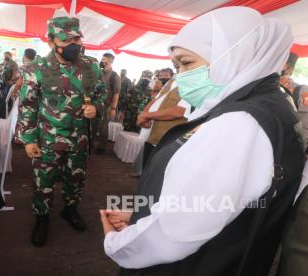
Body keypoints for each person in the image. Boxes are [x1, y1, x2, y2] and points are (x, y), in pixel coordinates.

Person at [100, 7, 305, 275]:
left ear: (233, 56)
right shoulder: (269, 107)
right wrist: (142, 215)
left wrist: (117, 243)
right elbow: (219, 204)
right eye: (177, 66)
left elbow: (174, 233)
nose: (181, 76)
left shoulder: (239, 123)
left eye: (186, 63)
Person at [17, 16, 106, 247]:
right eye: (66, 40)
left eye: (76, 38)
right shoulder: (35, 69)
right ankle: (42, 216)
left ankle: (70, 209)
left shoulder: (91, 66)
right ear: (51, 42)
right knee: (42, 180)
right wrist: (27, 139)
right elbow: (28, 106)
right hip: (47, 138)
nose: (73, 44)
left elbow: (101, 94)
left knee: (75, 178)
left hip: (79, 139)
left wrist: (95, 107)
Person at [130, 77, 190, 177]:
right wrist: (144, 114)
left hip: (165, 138)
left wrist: (147, 116)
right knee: (146, 170)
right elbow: (156, 100)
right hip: (151, 134)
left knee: (155, 176)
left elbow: (179, 111)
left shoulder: (193, 83)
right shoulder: (172, 80)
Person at [92, 52, 121, 154]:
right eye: (102, 59)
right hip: (95, 104)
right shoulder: (97, 72)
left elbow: (116, 93)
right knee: (93, 124)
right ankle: (90, 143)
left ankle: (101, 147)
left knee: (103, 127)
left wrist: (113, 108)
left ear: (110, 61)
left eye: (105, 59)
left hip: (106, 106)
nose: (102, 61)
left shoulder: (115, 76)